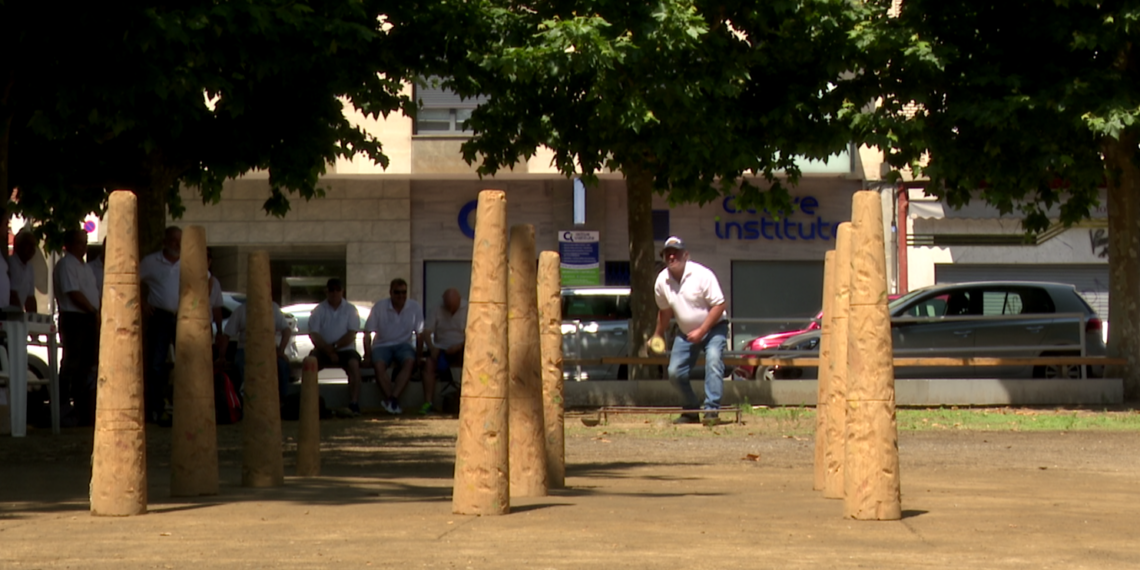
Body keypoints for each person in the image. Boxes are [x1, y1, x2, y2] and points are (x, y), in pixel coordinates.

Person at [650, 236, 728, 425]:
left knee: (713, 361)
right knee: (675, 373)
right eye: (667, 253)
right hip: (685, 333)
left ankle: (711, 412)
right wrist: (658, 334)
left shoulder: (702, 274)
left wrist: (702, 330)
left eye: (675, 253)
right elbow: (665, 311)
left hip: (714, 328)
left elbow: (719, 304)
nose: (671, 257)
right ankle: (691, 411)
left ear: (686, 255)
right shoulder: (662, 281)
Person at [53, 229, 100, 425]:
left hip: (89, 317)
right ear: (70, 245)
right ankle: (61, 405)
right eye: (80, 243)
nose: (84, 247)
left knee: (87, 364)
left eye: (85, 242)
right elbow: (73, 292)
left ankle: (82, 407)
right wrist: (92, 310)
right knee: (72, 362)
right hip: (75, 317)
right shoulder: (66, 265)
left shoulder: (86, 267)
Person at [216, 297, 293, 407]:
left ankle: (282, 400)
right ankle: (248, 400)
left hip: (269, 350)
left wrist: (280, 350)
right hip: (245, 349)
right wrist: (222, 356)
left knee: (282, 365)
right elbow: (227, 335)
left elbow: (287, 330)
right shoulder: (241, 310)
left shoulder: (273, 308)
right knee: (243, 366)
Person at [139, 226, 182, 423]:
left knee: (187, 363)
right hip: (160, 317)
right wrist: (143, 303)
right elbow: (131, 280)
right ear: (165, 242)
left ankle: (184, 406)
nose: (178, 244)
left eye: (180, 240)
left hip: (183, 317)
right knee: (156, 364)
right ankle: (156, 409)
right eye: (173, 240)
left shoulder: (188, 261)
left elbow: (206, 281)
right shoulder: (151, 262)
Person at [364, 278, 423, 415]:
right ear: (390, 292)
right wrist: (367, 355)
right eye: (397, 292)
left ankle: (392, 399)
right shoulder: (379, 307)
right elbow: (367, 333)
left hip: (404, 345)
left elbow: (420, 334)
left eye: (404, 292)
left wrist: (419, 356)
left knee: (410, 361)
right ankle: (392, 400)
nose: (401, 296)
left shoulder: (414, 307)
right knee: (378, 364)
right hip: (382, 345)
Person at [308, 278, 365, 415]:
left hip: (345, 349)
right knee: (309, 365)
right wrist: (328, 350)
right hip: (322, 350)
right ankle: (309, 402)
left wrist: (334, 347)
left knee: (354, 365)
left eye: (337, 289)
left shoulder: (351, 309)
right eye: (331, 290)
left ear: (342, 291)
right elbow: (314, 334)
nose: (334, 293)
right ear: (326, 291)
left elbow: (352, 333)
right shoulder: (318, 310)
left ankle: (354, 403)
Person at [421, 287, 467, 414]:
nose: (451, 310)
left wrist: (459, 347)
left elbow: (475, 334)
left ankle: (466, 400)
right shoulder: (436, 309)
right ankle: (428, 403)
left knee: (473, 363)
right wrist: (432, 347)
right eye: (448, 306)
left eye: (454, 307)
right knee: (429, 365)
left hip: (462, 347)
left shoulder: (468, 309)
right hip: (441, 348)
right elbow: (426, 332)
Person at [9, 230, 38, 312]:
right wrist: (19, 314)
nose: (32, 249)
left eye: (34, 245)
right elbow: (12, 294)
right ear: (18, 246)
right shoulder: (11, 263)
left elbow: (30, 298)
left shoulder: (30, 267)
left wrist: (33, 320)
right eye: (29, 244)